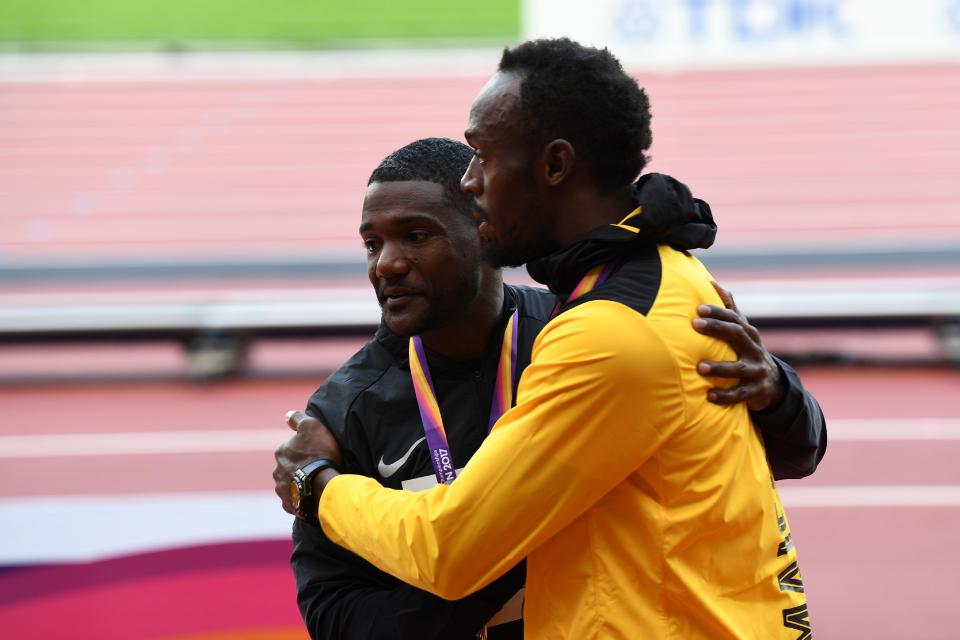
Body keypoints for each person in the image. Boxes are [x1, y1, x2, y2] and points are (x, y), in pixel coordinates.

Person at [274, 135, 826, 638]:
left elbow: (791, 454)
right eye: (372, 244)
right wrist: (485, 569)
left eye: (417, 236)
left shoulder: (586, 337)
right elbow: (333, 613)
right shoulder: (344, 409)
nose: (387, 264)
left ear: (485, 232)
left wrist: (779, 392)